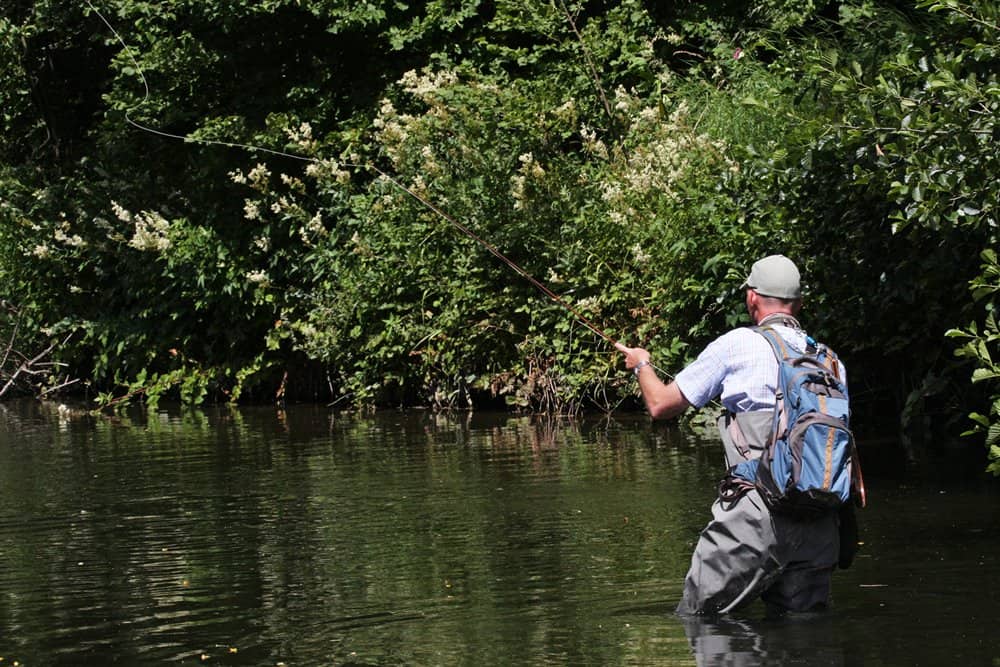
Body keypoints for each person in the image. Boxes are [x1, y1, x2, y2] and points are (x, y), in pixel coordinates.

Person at [615, 254, 845, 615]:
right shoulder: (830, 361)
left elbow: (660, 405)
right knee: (807, 639)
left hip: (757, 515)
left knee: (698, 621)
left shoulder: (738, 343)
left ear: (752, 298)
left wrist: (642, 364)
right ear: (799, 304)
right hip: (820, 524)